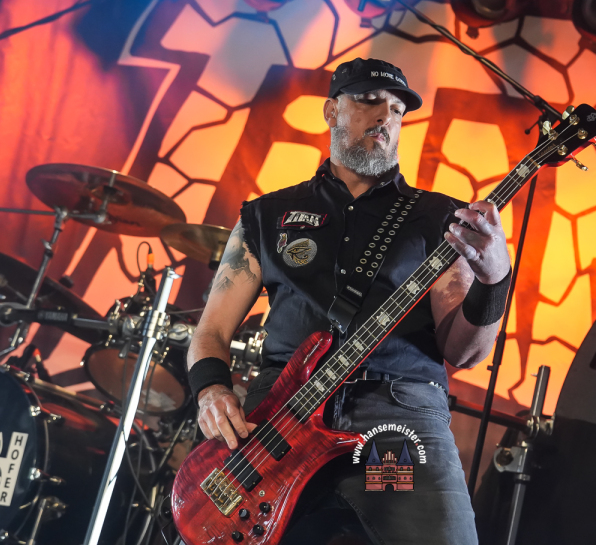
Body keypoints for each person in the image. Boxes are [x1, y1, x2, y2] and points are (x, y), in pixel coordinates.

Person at [186, 57, 511, 545]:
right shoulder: (266, 215)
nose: (385, 116)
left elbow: (465, 353)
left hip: (393, 424)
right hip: (280, 420)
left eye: (397, 109)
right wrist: (211, 390)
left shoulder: (440, 218)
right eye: (369, 100)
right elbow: (211, 331)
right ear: (331, 111)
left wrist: (494, 279)